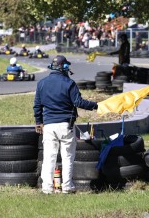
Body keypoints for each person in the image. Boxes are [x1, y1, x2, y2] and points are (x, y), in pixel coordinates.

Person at [33, 55, 98, 194]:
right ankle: (67, 187)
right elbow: (79, 103)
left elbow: (37, 106)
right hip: (65, 125)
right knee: (67, 157)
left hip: (49, 126)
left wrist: (39, 122)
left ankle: (47, 188)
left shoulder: (42, 83)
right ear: (65, 67)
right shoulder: (69, 83)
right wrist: (96, 106)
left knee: (48, 158)